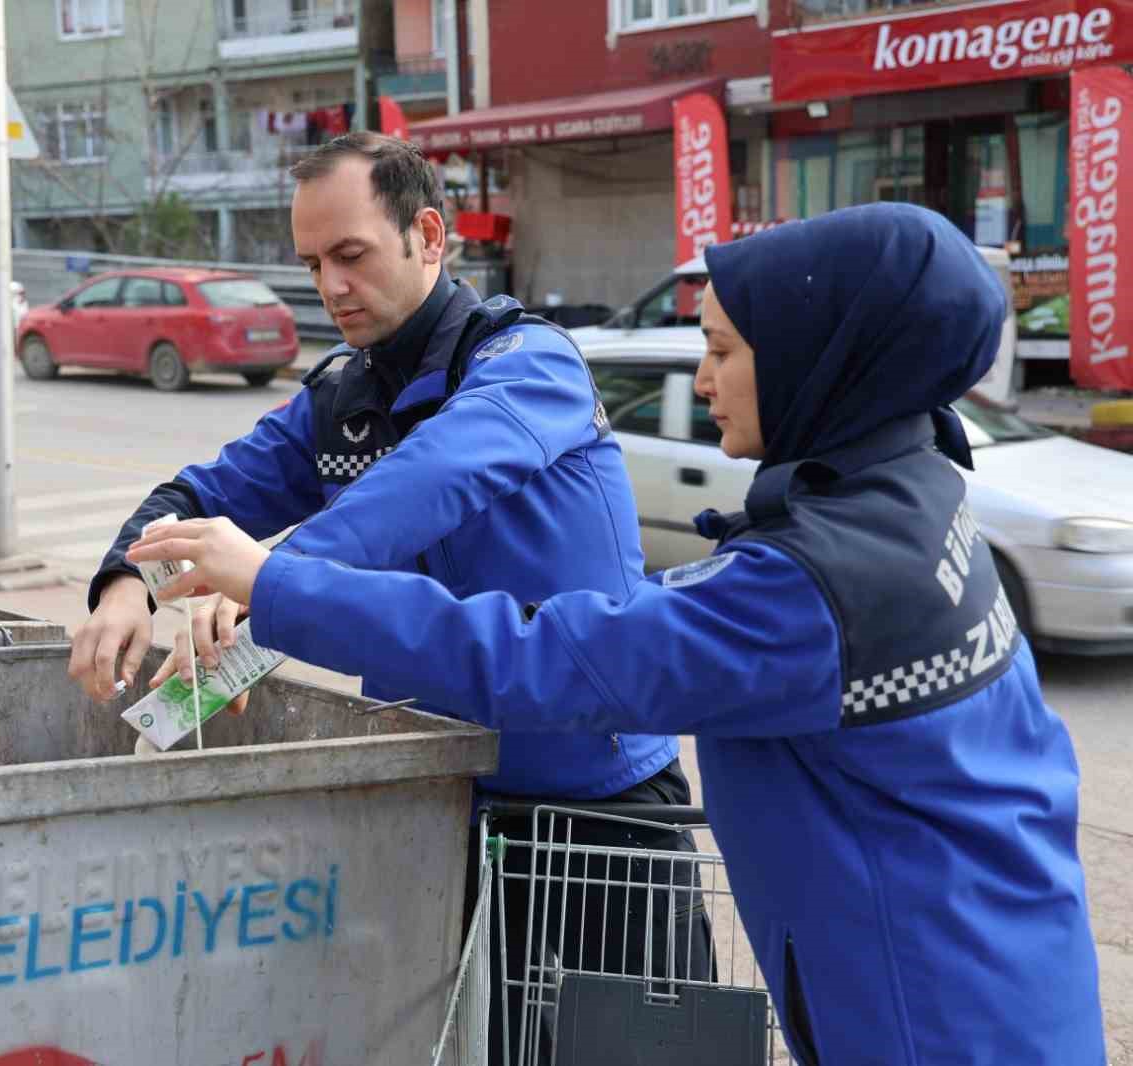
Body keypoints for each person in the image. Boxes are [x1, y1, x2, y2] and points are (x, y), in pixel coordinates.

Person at [127, 203, 1105, 1065]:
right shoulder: (911, 491)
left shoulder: (821, 584)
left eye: (722, 350)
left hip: (930, 1021)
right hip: (997, 965)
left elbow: (541, 655)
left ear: (821, 362)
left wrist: (277, 582)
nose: (704, 376)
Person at [69, 131, 709, 1050]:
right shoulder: (339, 398)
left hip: (590, 815)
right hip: (434, 813)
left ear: (430, 236)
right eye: (311, 262)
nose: (331, 285)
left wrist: (262, 582)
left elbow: (427, 484)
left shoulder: (530, 363)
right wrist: (130, 581)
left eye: (351, 254)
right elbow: (205, 493)